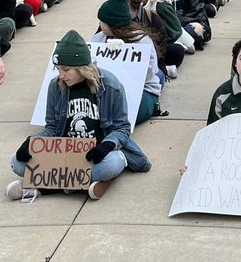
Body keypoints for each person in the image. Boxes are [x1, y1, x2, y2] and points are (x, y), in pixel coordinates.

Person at [8, 30, 151, 202]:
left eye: (66, 69)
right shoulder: (56, 86)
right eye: (58, 69)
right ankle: (80, 184)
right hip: (65, 154)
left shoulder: (111, 86)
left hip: (94, 155)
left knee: (113, 163)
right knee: (17, 162)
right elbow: (53, 128)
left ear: (82, 67)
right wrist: (33, 142)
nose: (61, 75)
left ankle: (42, 188)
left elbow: (122, 128)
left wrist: (106, 145)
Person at [94, 0, 162, 124]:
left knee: (125, 115)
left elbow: (149, 73)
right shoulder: (98, 38)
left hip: (141, 92)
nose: (100, 24)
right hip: (108, 93)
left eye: (102, 21)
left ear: (113, 24)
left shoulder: (141, 40)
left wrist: (122, 52)